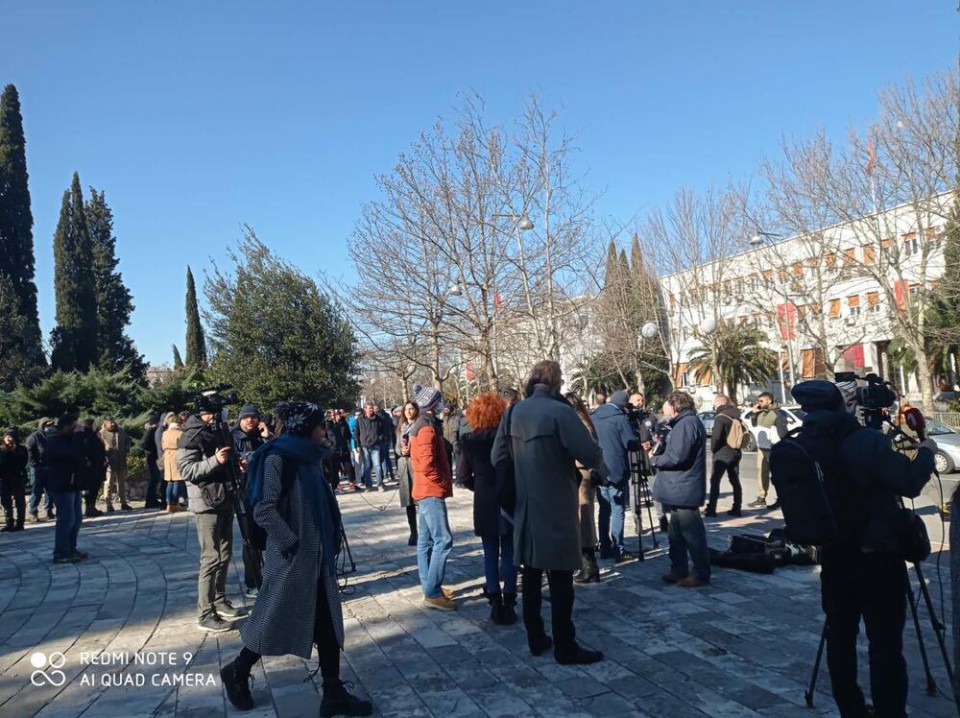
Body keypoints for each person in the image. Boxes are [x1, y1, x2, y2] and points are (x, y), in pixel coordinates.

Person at [786, 380, 936, 718]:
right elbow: (909, 483)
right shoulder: (866, 440)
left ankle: (851, 709)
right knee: (885, 643)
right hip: (877, 557)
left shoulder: (801, 443)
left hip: (834, 557)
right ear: (843, 405)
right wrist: (926, 452)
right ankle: (890, 711)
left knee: (840, 637)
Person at [220, 401, 372, 717]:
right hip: (292, 560)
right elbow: (263, 508)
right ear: (305, 428)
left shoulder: (308, 457)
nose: (324, 430)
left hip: (317, 558)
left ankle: (333, 692)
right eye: (319, 425)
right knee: (271, 619)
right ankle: (237, 670)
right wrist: (292, 542)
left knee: (327, 625)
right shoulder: (279, 457)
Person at [492, 360, 607, 665]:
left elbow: (496, 457)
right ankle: (565, 646)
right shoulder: (560, 412)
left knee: (530, 575)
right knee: (560, 579)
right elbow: (590, 455)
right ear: (557, 382)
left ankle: (536, 638)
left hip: (524, 506)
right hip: (557, 504)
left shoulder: (513, 413)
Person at [178, 407, 243, 633]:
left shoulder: (219, 431)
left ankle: (219, 599)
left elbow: (227, 460)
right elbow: (187, 470)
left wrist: (236, 465)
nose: (221, 414)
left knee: (225, 553)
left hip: (224, 498)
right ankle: (205, 613)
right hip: (206, 503)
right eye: (215, 411)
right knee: (211, 557)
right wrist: (215, 460)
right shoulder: (192, 435)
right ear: (204, 413)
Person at [459, 392, 517, 624]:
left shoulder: (469, 440)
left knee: (490, 552)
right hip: (507, 496)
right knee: (509, 552)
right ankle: (510, 602)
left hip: (484, 497)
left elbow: (463, 475)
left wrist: (479, 487)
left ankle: (494, 601)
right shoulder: (508, 438)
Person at [650, 391, 710, 588]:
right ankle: (678, 568)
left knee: (692, 534)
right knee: (675, 534)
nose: (664, 410)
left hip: (684, 487)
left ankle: (700, 573)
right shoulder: (683, 423)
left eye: (666, 406)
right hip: (678, 489)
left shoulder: (686, 424)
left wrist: (655, 460)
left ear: (675, 406)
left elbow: (677, 456)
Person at [410, 386, 456, 610]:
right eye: (439, 401)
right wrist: (442, 481)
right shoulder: (427, 427)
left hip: (424, 488)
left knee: (426, 541)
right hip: (430, 490)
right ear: (433, 404)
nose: (441, 405)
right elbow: (427, 464)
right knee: (443, 540)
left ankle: (429, 585)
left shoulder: (421, 424)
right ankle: (432, 592)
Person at [591, 390, 640, 563]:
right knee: (618, 509)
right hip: (617, 470)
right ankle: (618, 548)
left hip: (599, 469)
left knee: (604, 509)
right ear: (624, 403)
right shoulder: (620, 419)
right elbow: (630, 444)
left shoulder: (594, 416)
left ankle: (604, 546)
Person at [233, 403, 272, 599]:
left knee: (270, 535)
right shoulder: (233, 438)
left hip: (266, 491)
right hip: (244, 493)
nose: (250, 421)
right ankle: (253, 582)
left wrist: (267, 438)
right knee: (250, 540)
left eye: (254, 417)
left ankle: (272, 577)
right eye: (246, 417)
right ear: (240, 419)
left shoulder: (261, 436)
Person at [564, 393, 601, 584]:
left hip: (582, 476)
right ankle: (587, 564)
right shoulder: (584, 423)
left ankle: (589, 565)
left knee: (584, 520)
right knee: (582, 519)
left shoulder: (580, 426)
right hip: (581, 475)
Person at [46, 414, 85, 564]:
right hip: (62, 484)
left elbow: (81, 453)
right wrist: (78, 437)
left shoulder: (69, 439)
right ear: (66, 426)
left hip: (73, 483)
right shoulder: (54, 440)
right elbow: (72, 455)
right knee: (66, 519)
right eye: (74, 426)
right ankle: (61, 552)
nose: (76, 429)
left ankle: (71, 548)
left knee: (77, 518)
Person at [704, 394, 743, 518]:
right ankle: (737, 508)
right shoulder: (737, 414)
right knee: (735, 480)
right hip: (736, 451)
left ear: (720, 403)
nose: (714, 405)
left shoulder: (721, 417)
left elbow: (716, 437)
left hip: (722, 452)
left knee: (715, 481)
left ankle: (711, 509)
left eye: (715, 403)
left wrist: (713, 449)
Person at [747, 392, 787, 509]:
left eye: (761, 401)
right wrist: (754, 413)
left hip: (773, 448)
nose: (759, 403)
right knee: (762, 473)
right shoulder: (760, 413)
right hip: (762, 448)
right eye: (758, 401)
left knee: (777, 475)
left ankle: (782, 498)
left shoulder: (776, 414)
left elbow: (782, 433)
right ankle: (761, 498)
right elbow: (754, 424)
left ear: (769, 401)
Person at [395, 401, 420, 547]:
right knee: (408, 502)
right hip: (404, 466)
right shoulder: (401, 428)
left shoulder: (420, 426)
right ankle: (413, 531)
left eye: (411, 409)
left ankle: (425, 531)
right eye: (406, 409)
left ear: (416, 410)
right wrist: (401, 451)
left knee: (420, 500)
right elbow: (396, 447)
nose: (409, 412)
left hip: (416, 466)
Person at [99, 417, 132, 512]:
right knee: (108, 483)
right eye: (110, 422)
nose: (112, 424)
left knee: (121, 482)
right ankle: (108, 504)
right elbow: (99, 446)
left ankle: (123, 502)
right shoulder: (102, 433)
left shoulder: (121, 431)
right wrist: (105, 457)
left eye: (113, 422)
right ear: (105, 423)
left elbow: (128, 440)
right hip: (109, 462)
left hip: (121, 460)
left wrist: (126, 448)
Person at [26, 418, 56, 522]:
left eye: (51, 425)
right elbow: (30, 452)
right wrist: (36, 465)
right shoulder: (34, 437)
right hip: (38, 468)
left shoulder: (51, 436)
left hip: (49, 467)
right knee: (36, 492)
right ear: (42, 425)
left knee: (50, 491)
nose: (49, 427)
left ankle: (49, 510)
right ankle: (33, 512)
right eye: (47, 425)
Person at [0, 429, 29, 532]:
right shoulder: (2, 450)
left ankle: (20, 523)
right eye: (6, 437)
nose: (8, 439)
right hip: (4, 478)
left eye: (10, 437)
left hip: (17, 477)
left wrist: (13, 450)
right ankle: (9, 522)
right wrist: (7, 450)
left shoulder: (21, 449)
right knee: (6, 501)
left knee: (20, 501)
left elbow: (22, 462)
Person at [78, 419, 106, 518]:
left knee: (94, 488)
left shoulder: (94, 435)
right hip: (91, 468)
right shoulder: (86, 436)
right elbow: (85, 450)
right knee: (91, 488)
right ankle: (89, 508)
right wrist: (88, 460)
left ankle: (91, 507)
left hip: (97, 465)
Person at [354, 403, 385, 491]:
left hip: (375, 445)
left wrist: (379, 439)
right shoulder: (360, 419)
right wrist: (358, 445)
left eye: (372, 408)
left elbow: (383, 431)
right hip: (364, 445)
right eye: (369, 408)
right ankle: (368, 486)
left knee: (377, 465)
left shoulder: (378, 419)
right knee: (367, 466)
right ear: (365, 409)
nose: (371, 410)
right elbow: (356, 433)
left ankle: (380, 484)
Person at [162, 412, 188, 512]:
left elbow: (162, 445)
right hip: (177, 455)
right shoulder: (180, 433)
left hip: (167, 456)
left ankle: (169, 504)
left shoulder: (165, 433)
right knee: (178, 480)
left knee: (170, 481)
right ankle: (175, 503)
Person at [331, 409, 358, 491]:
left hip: (344, 448)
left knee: (349, 466)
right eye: (336, 415)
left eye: (339, 414)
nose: (338, 416)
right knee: (335, 468)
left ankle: (352, 482)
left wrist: (348, 446)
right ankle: (337, 484)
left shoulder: (344, 424)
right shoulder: (331, 425)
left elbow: (349, 435)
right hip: (334, 449)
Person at [142, 416, 164, 509]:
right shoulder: (151, 431)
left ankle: (152, 499)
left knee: (156, 478)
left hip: (153, 456)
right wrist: (151, 451)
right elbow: (143, 443)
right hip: (152, 457)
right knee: (154, 478)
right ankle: (150, 500)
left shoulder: (153, 430)